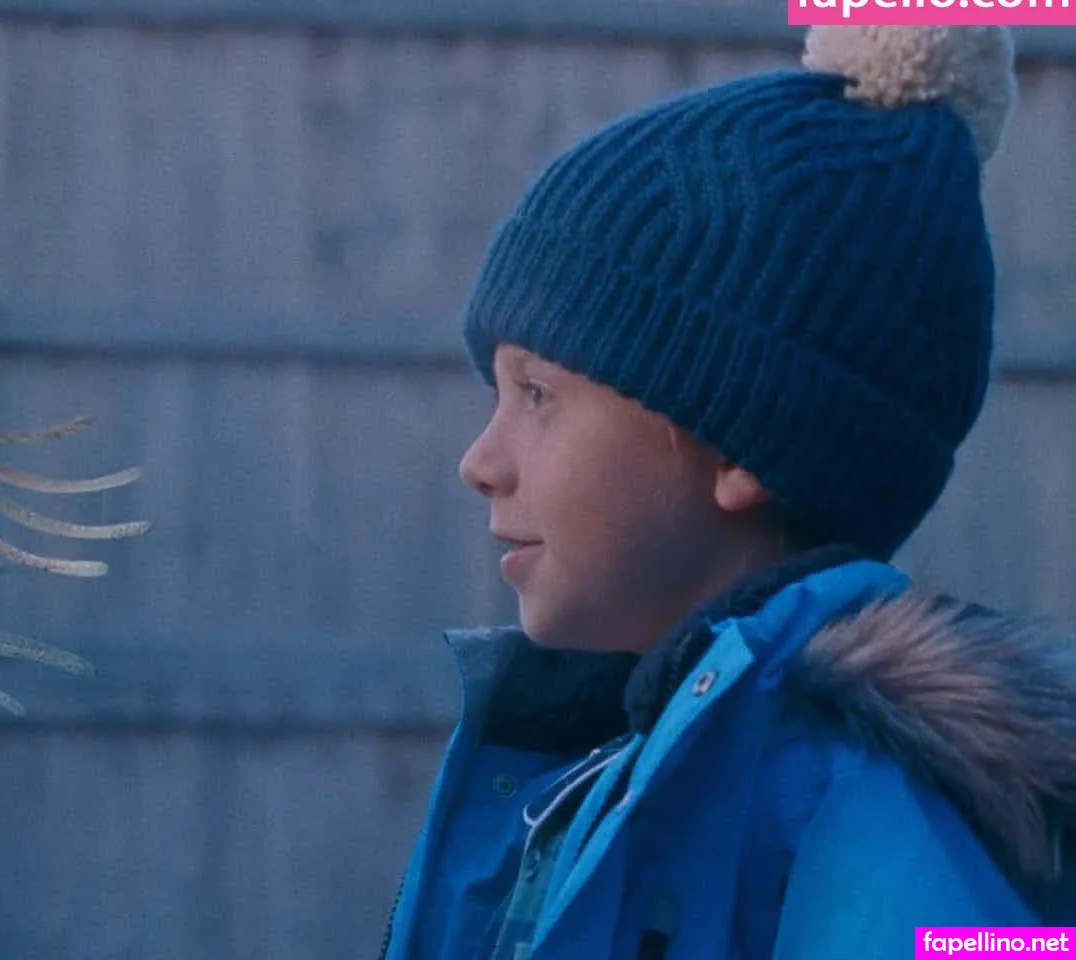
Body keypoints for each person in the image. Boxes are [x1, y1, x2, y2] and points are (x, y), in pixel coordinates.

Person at [378, 24, 1076, 960]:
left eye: (538, 394)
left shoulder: (870, 824)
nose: (479, 460)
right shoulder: (610, 772)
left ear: (741, 445)